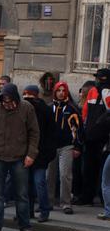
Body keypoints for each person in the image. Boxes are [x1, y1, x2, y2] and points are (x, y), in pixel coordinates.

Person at [0, 84, 40, 231]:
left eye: (10, 102)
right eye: (5, 102)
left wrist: (31, 154)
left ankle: (25, 227)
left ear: (16, 99)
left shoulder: (27, 108)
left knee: (22, 194)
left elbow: (34, 133)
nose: (7, 105)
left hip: (19, 157)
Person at [22, 86, 57, 222]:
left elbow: (50, 134)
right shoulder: (22, 109)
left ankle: (44, 210)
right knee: (26, 184)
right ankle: (27, 211)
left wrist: (47, 154)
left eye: (29, 95)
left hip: (40, 154)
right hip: (25, 153)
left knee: (39, 182)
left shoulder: (44, 110)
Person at [49, 82, 83, 215]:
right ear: (55, 92)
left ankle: (66, 203)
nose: (61, 93)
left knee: (65, 175)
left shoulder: (72, 109)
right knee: (48, 176)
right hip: (51, 147)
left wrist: (78, 147)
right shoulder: (49, 108)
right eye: (59, 90)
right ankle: (48, 201)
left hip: (67, 146)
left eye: (64, 90)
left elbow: (79, 130)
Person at [78, 68, 110, 206]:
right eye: (97, 78)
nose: (98, 80)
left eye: (100, 78)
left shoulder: (107, 92)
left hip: (104, 138)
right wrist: (84, 131)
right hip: (91, 137)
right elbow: (86, 112)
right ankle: (87, 197)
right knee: (88, 169)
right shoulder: (93, 91)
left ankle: (104, 200)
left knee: (103, 171)